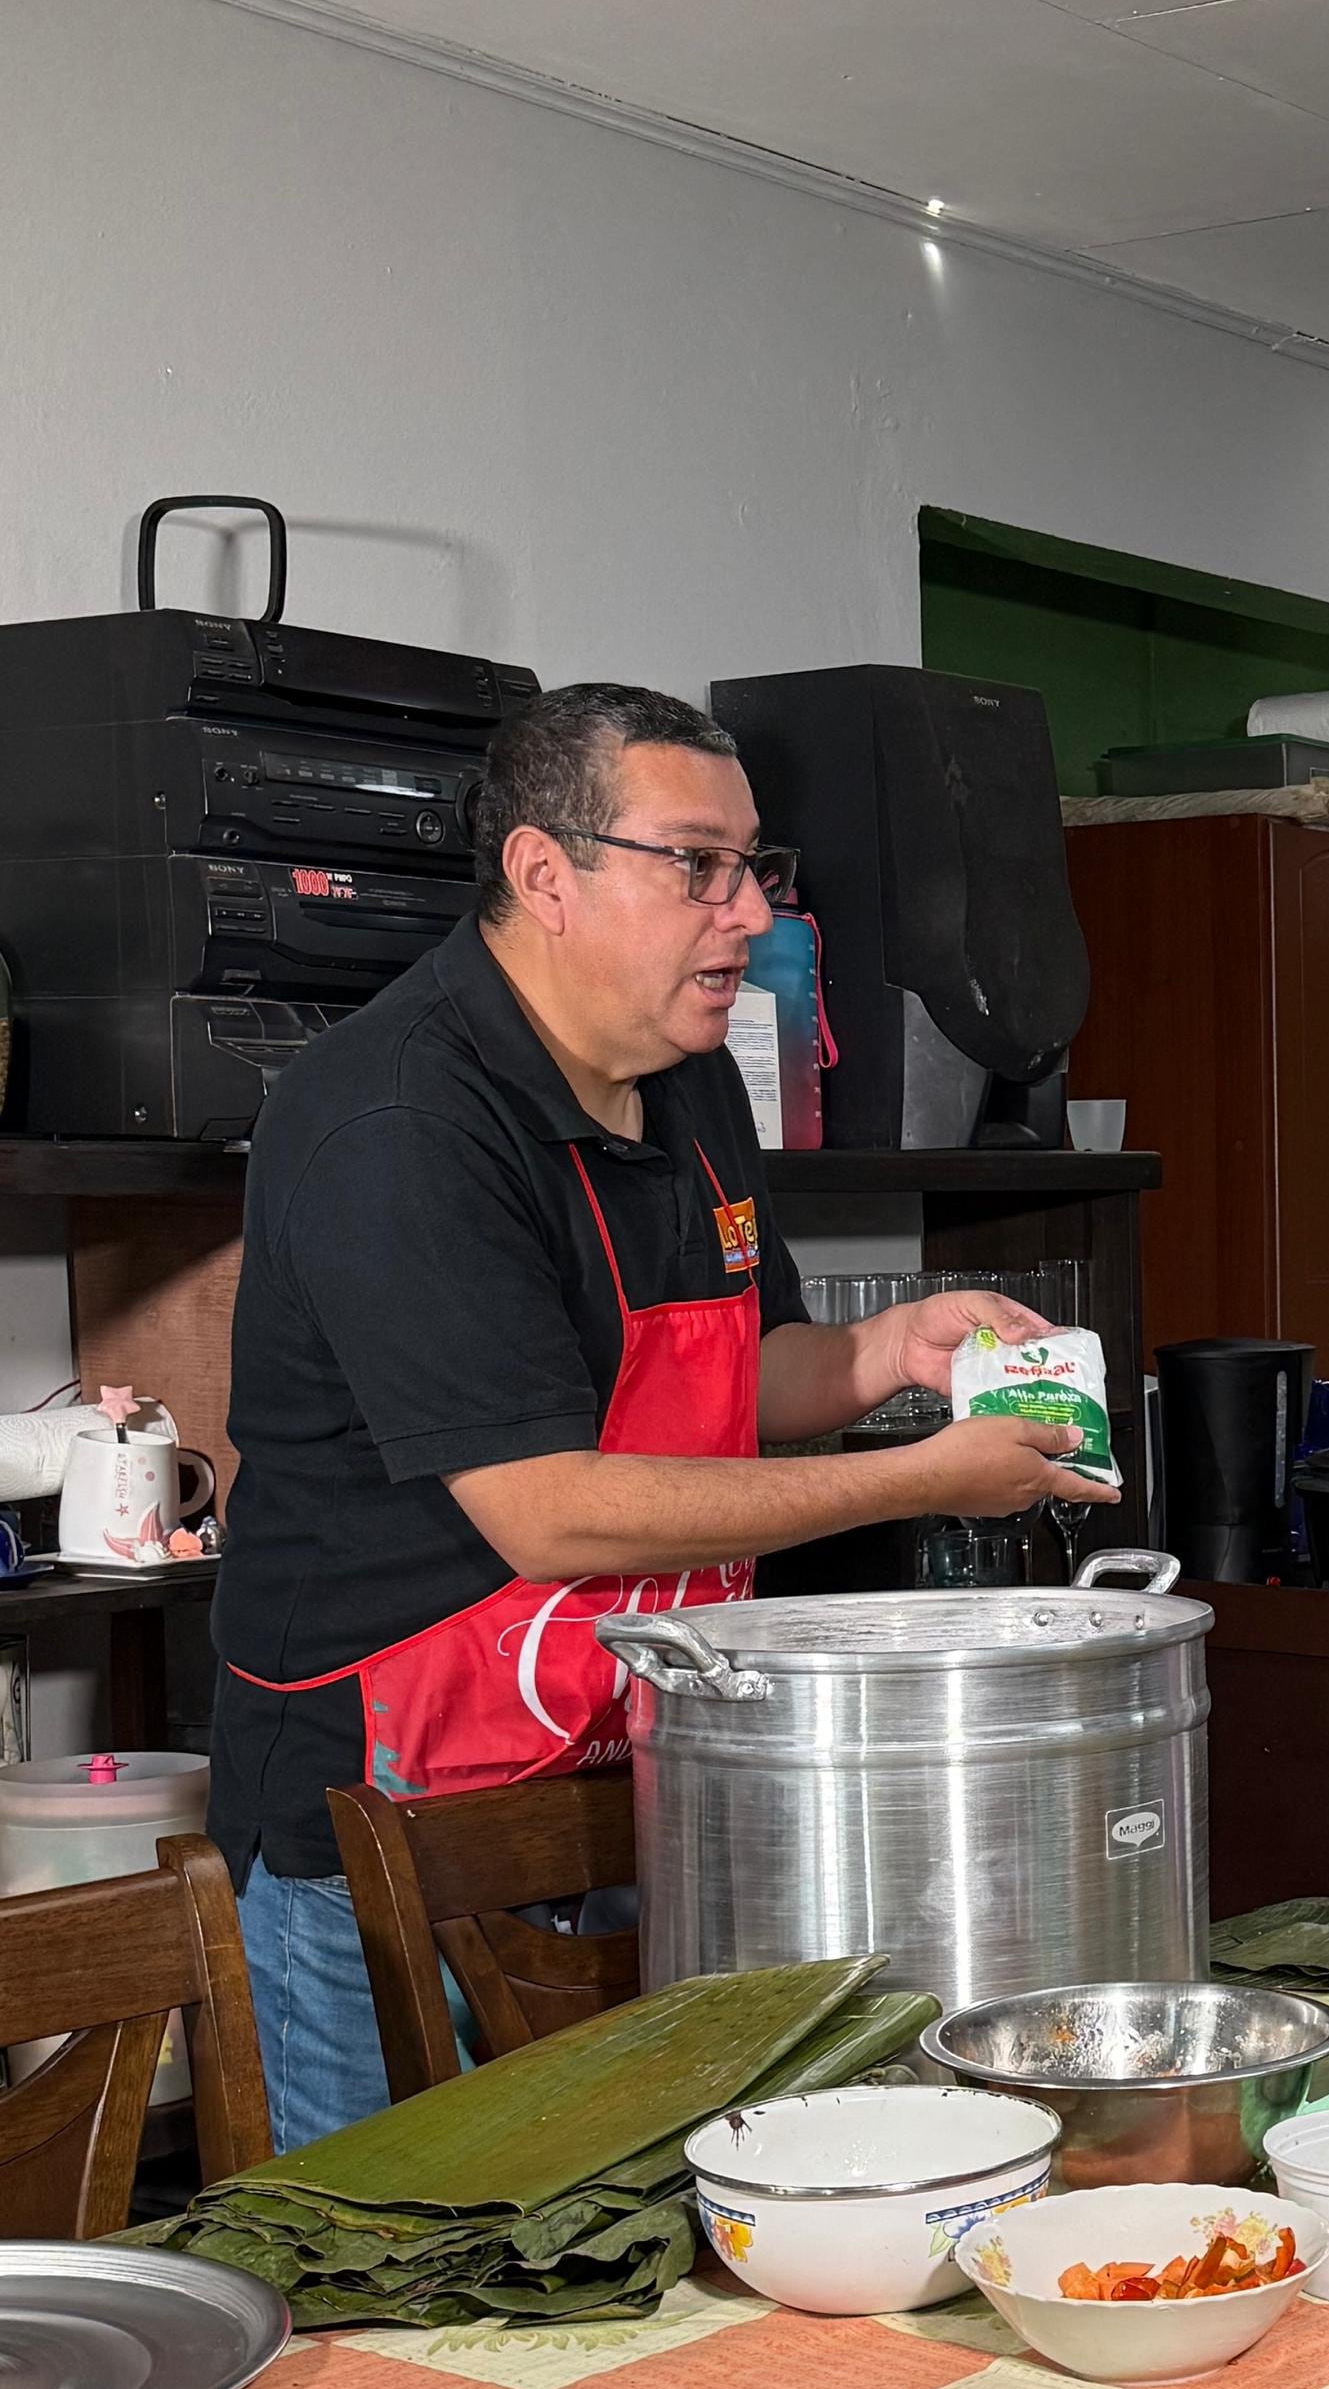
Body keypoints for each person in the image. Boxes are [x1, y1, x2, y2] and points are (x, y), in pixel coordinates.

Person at [212, 682, 1112, 2146]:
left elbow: (724, 1377)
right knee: (399, 2244)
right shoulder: (401, 1120)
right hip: (389, 1821)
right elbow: (547, 1508)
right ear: (543, 874)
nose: (748, 913)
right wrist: (918, 1481)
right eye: (697, 865)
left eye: (756, 867)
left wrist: (886, 1353)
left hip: (635, 1765)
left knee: (631, 2222)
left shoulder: (689, 1086)